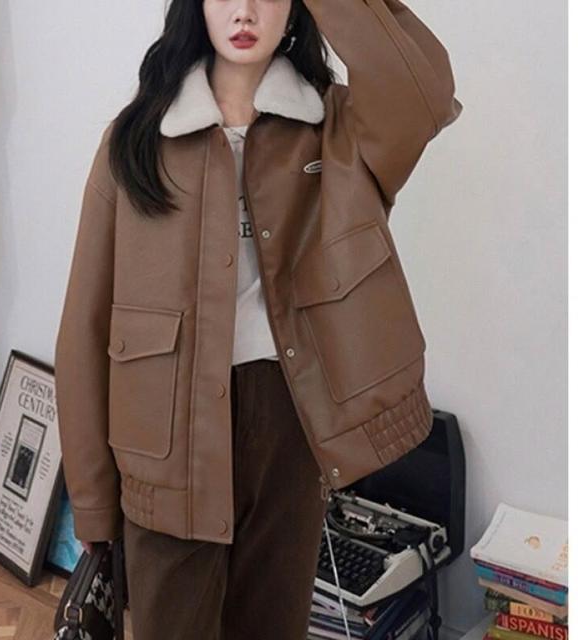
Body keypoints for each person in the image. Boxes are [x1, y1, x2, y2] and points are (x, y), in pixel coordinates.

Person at [55, 0, 463, 638]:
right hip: (165, 440)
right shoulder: (134, 140)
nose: (245, 11)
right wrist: (92, 503)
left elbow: (424, 93)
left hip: (286, 427)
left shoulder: (337, 130)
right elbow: (84, 328)